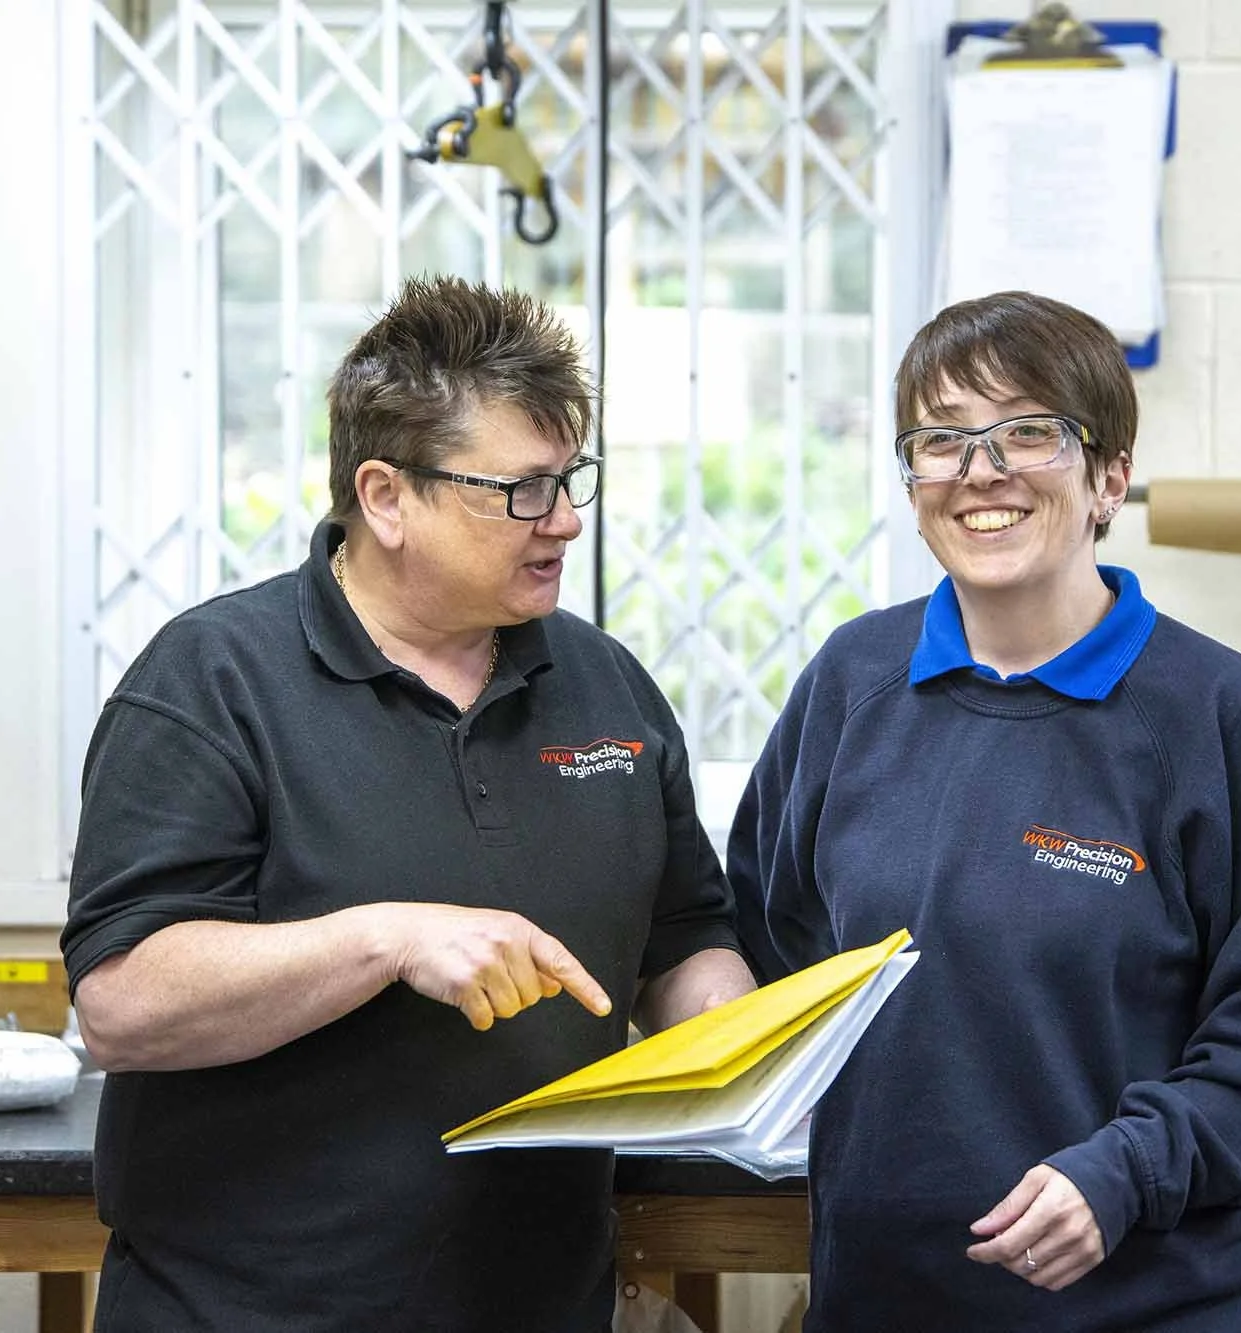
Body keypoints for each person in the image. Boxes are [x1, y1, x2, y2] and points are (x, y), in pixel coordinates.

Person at [62, 275, 755, 1333]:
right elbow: (120, 1003)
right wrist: (383, 940)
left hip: (541, 1303)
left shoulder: (603, 681)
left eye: (571, 481)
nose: (563, 521)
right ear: (385, 496)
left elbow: (681, 934)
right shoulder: (211, 681)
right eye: (520, 490)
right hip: (248, 1312)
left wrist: (728, 1031)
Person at [726, 291, 1241, 1330]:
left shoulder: (1208, 712)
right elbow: (767, 950)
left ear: (1108, 477)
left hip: (1152, 1298)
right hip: (890, 1296)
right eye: (941, 440)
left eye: (1028, 433)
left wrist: (1122, 1176)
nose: (981, 469)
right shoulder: (852, 682)